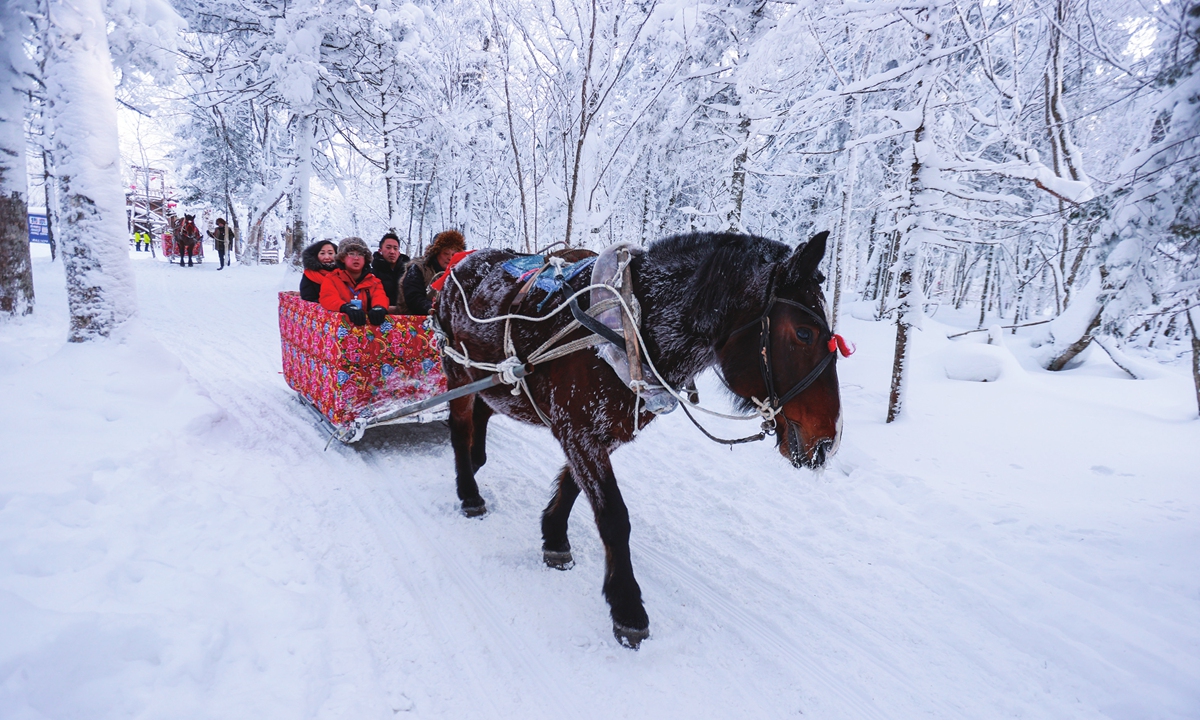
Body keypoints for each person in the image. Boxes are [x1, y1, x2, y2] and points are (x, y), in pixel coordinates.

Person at [319, 237, 390, 326]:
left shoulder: (374, 281)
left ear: (365, 259)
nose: (356, 258)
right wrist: (344, 307)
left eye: (360, 254)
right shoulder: (331, 279)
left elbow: (380, 296)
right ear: (342, 258)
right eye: (351, 254)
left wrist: (379, 307)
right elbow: (328, 298)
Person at [403, 229, 466, 315]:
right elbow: (413, 297)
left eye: (453, 254)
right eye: (446, 253)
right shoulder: (418, 268)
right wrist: (432, 308)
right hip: (416, 319)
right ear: (436, 253)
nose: (450, 258)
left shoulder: (458, 275)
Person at [371, 232, 411, 313]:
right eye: (388, 247)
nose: (392, 251)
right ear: (380, 250)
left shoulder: (409, 272)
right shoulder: (372, 273)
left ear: (399, 252)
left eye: (395, 248)